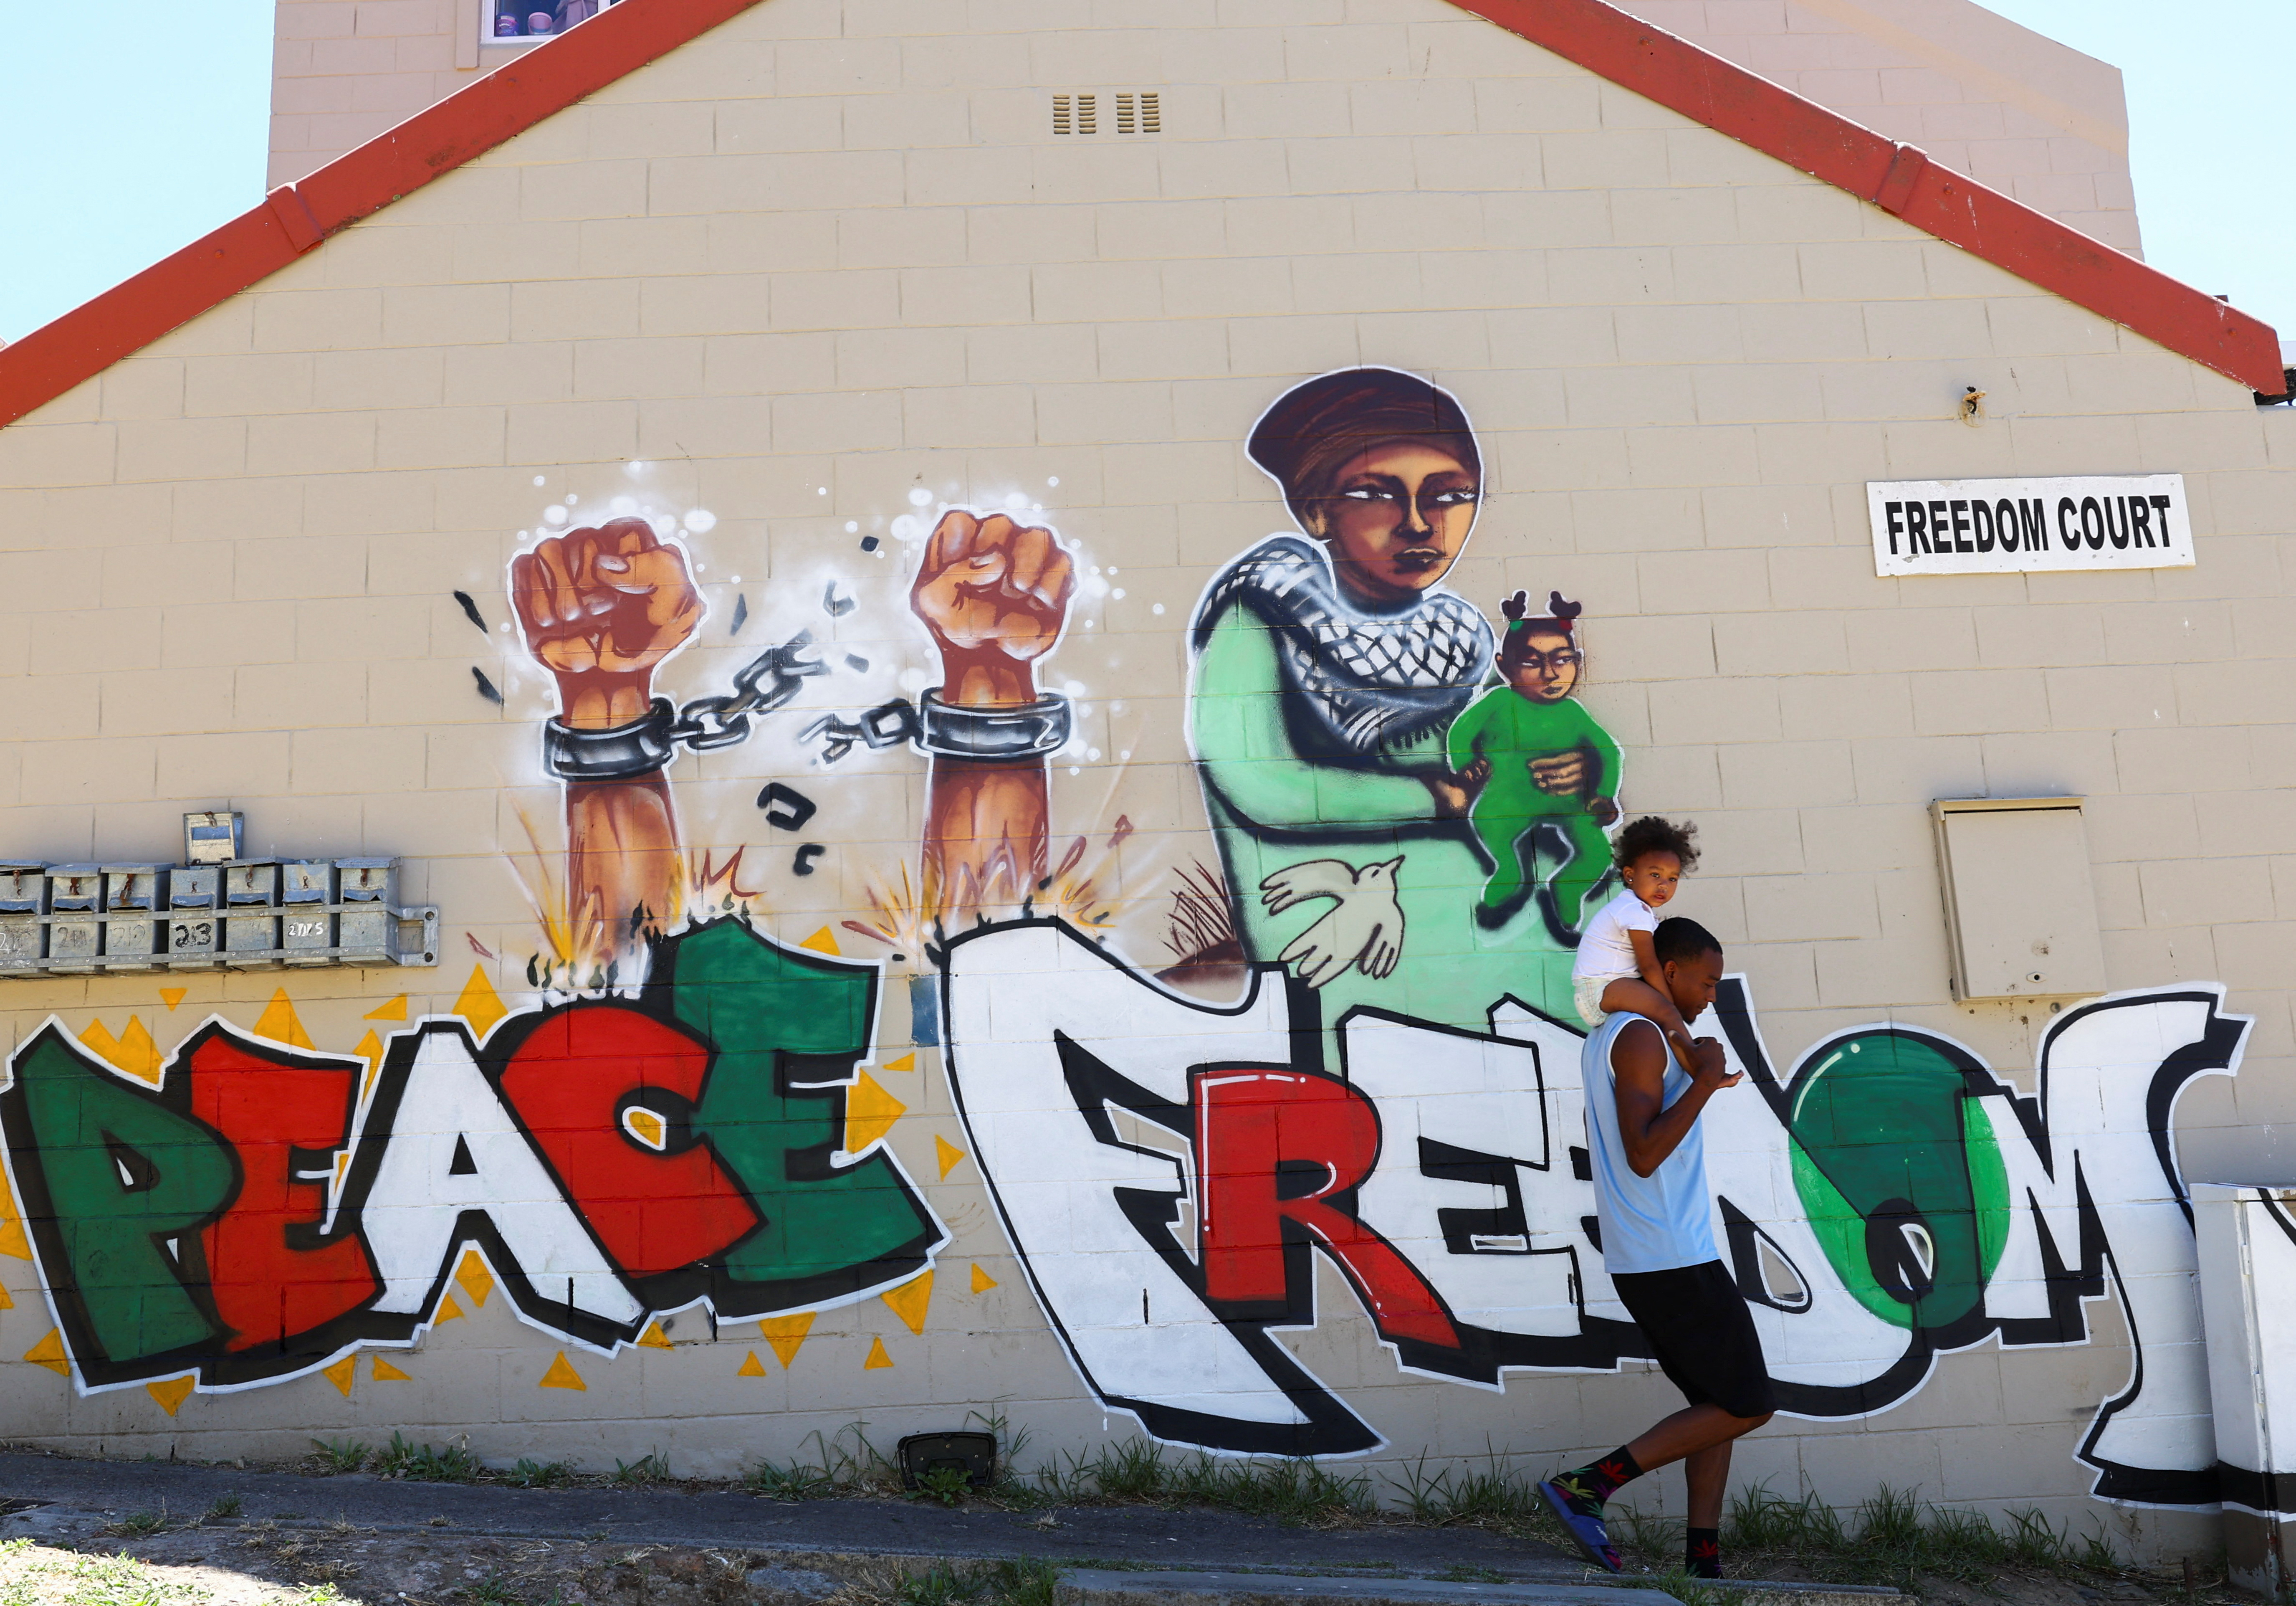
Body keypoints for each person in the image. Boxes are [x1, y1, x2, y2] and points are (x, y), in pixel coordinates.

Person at [1186, 367, 1578, 1034]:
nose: (1420, 524)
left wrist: (1563, 779)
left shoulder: (1457, 639)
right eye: (1376, 494)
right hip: (1345, 928)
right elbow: (1260, 782)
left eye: (1452, 495)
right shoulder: (1263, 610)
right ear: (1316, 509)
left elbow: (1494, 758)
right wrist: (1432, 799)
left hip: (1494, 938)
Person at [1539, 916, 1773, 1579]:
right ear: (1668, 972)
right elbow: (1643, 1153)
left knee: (1718, 1406)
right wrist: (1702, 1081)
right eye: (1706, 980)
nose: (1711, 995)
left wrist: (1698, 1072)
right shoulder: (1639, 1035)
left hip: (1666, 1249)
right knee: (1751, 1402)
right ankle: (1586, 1486)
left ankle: (1704, 1561)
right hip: (1668, 1252)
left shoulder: (1625, 1035)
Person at [1444, 590, 1621, 930]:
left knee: (1599, 853)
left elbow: (1608, 752)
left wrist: (1603, 793)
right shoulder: (1499, 702)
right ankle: (1509, 872)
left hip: (1571, 803)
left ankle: (1567, 890)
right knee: (1490, 824)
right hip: (1507, 800)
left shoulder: (1572, 713)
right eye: (1531, 662)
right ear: (1503, 666)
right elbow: (1460, 733)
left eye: (1562, 659)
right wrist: (1467, 765)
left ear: (1578, 662)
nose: (1550, 673)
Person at [1571, 816, 1702, 1072]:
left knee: (1662, 1015)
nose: (1663, 885)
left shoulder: (1636, 910)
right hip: (1600, 990)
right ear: (1630, 875)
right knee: (1667, 1013)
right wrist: (1669, 1003)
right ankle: (1700, 1067)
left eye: (1673, 879)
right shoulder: (1635, 911)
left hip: (1609, 988)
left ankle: (1687, 1062)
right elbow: (1649, 966)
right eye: (1655, 875)